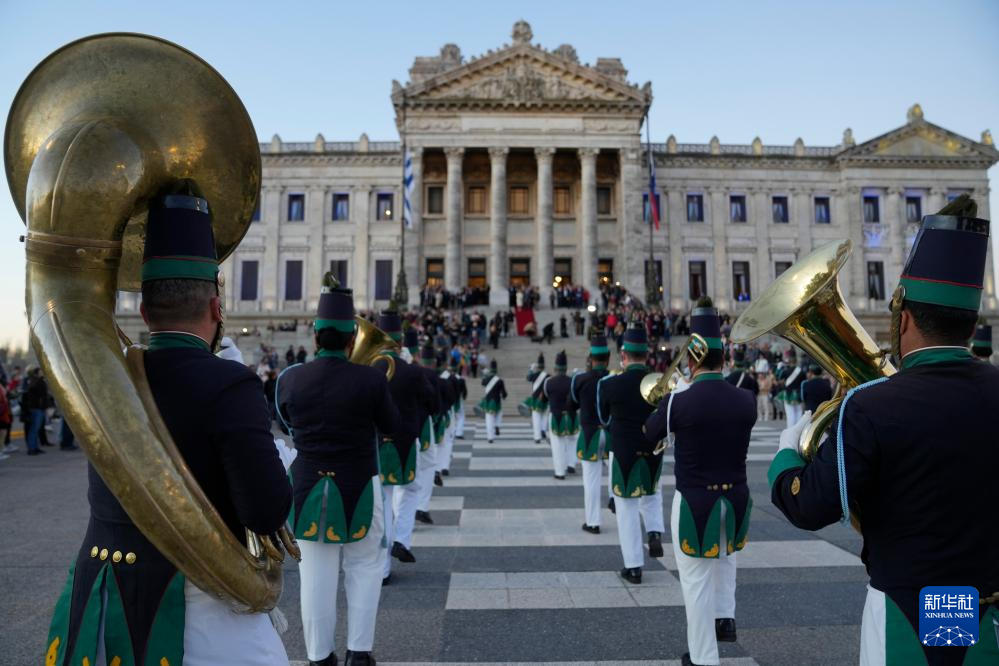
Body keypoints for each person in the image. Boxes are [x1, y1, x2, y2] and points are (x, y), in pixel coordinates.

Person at [45, 183, 293, 666]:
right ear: (217, 309)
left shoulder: (105, 377)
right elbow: (265, 512)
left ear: (143, 311)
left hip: (101, 597)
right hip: (194, 603)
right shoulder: (230, 383)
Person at [769, 196, 999, 665]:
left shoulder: (871, 405)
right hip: (984, 613)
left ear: (904, 318)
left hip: (904, 612)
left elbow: (808, 505)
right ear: (972, 322)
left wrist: (788, 451)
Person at [277, 280, 400, 666]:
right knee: (365, 568)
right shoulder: (372, 379)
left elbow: (285, 421)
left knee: (315, 576)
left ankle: (319, 656)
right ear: (352, 340)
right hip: (360, 484)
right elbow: (392, 426)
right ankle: (359, 653)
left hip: (307, 486)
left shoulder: (290, 378)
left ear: (315, 336)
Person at [644, 299, 756, 666]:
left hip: (695, 501)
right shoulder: (747, 400)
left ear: (691, 361)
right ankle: (725, 616)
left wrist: (675, 393)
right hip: (736, 498)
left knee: (695, 583)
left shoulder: (679, 402)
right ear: (724, 358)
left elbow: (650, 433)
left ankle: (705, 658)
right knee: (726, 558)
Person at [597, 323, 664, 585]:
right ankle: (655, 530)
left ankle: (634, 566)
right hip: (652, 448)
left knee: (626, 509)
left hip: (624, 451)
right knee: (652, 493)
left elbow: (603, 418)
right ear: (646, 355)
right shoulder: (660, 382)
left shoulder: (610, 384)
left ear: (623, 355)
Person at [372, 312, 436, 583]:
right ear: (401, 343)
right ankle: (401, 539)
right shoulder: (413, 371)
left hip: (376, 443)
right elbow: (433, 403)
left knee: (383, 501)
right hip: (405, 443)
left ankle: (383, 568)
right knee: (410, 489)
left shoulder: (369, 368)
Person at [394, 328, 442, 539]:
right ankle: (417, 511)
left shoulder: (374, 369)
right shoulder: (421, 373)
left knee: (388, 487)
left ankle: (395, 524)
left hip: (384, 434)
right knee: (418, 474)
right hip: (414, 430)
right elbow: (435, 405)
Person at [569, 334, 612, 534]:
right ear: (608, 357)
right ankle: (614, 501)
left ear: (590, 358)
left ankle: (593, 522)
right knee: (616, 473)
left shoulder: (579, 379)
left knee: (591, 481)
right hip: (611, 434)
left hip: (589, 434)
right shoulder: (615, 379)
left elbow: (572, 404)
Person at [542, 350, 578, 479]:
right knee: (572, 440)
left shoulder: (548, 382)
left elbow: (545, 398)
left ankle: (560, 472)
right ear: (566, 368)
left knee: (557, 445)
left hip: (556, 416)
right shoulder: (573, 381)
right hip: (572, 415)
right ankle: (571, 464)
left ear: (555, 368)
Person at [479, 360, 507, 444]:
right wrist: (504, 396)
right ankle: (497, 425)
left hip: (488, 401)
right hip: (497, 401)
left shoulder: (486, 379)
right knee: (499, 413)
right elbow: (504, 393)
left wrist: (484, 374)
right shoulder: (500, 380)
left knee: (489, 419)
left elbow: (482, 383)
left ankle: (490, 437)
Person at [525, 353, 549, 444]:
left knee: (536, 418)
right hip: (545, 399)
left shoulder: (534, 375)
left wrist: (531, 368)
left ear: (538, 366)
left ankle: (537, 437)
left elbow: (528, 378)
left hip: (536, 400)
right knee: (544, 416)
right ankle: (543, 430)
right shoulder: (548, 375)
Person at [775, 350, 805, 425]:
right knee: (799, 413)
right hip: (798, 394)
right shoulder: (801, 371)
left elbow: (777, 378)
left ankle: (791, 429)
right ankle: (798, 429)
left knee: (790, 414)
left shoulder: (785, 371)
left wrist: (778, 368)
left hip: (788, 395)